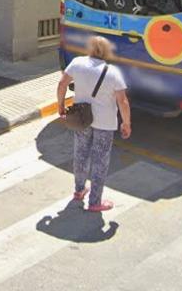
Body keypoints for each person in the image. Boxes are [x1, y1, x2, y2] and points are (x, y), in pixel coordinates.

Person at [56, 36, 131, 212]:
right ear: (107, 52)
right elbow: (123, 101)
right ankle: (95, 202)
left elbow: (62, 84)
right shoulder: (113, 72)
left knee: (80, 154)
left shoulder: (77, 63)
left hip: (81, 119)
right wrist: (126, 123)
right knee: (100, 161)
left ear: (89, 48)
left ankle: (79, 190)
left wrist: (61, 106)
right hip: (105, 123)